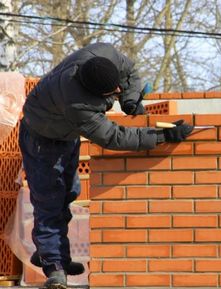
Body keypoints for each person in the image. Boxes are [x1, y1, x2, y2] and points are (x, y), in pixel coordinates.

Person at [19, 42, 193, 289]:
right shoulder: (78, 104)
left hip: (65, 134)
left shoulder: (104, 54)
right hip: (41, 137)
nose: (118, 90)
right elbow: (114, 137)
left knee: (68, 193)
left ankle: (51, 251)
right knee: (50, 201)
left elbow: (129, 74)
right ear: (94, 93)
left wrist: (130, 99)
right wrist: (163, 136)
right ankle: (55, 267)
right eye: (113, 92)